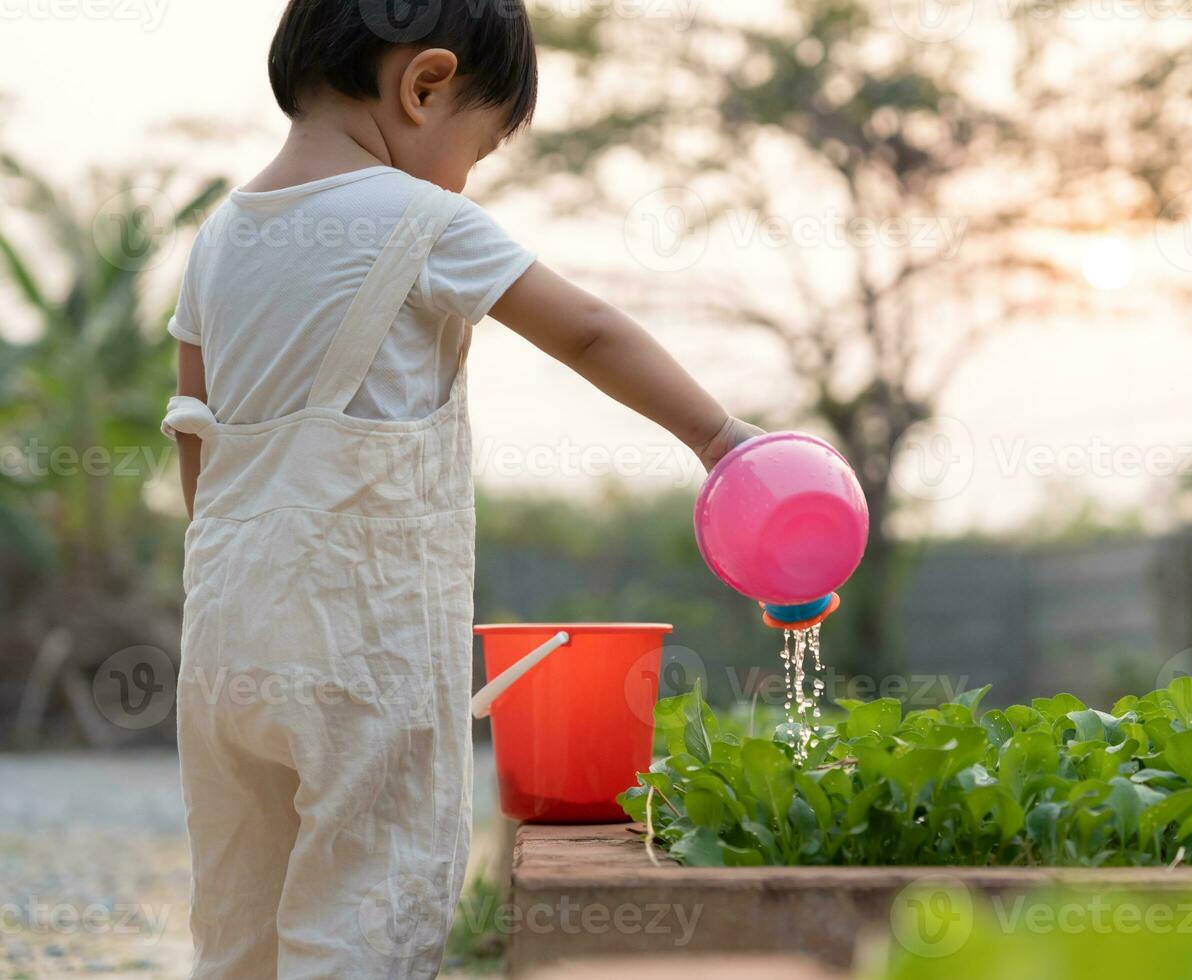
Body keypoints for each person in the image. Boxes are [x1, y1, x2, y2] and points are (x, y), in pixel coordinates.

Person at [161, 2, 759, 976]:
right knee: (370, 895)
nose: (465, 176)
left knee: (240, 912)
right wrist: (721, 438)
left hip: (225, 638)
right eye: (476, 149)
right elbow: (591, 330)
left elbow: (196, 433)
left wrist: (249, 583)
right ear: (424, 85)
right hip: (362, 649)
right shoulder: (423, 220)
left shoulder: (217, 238)